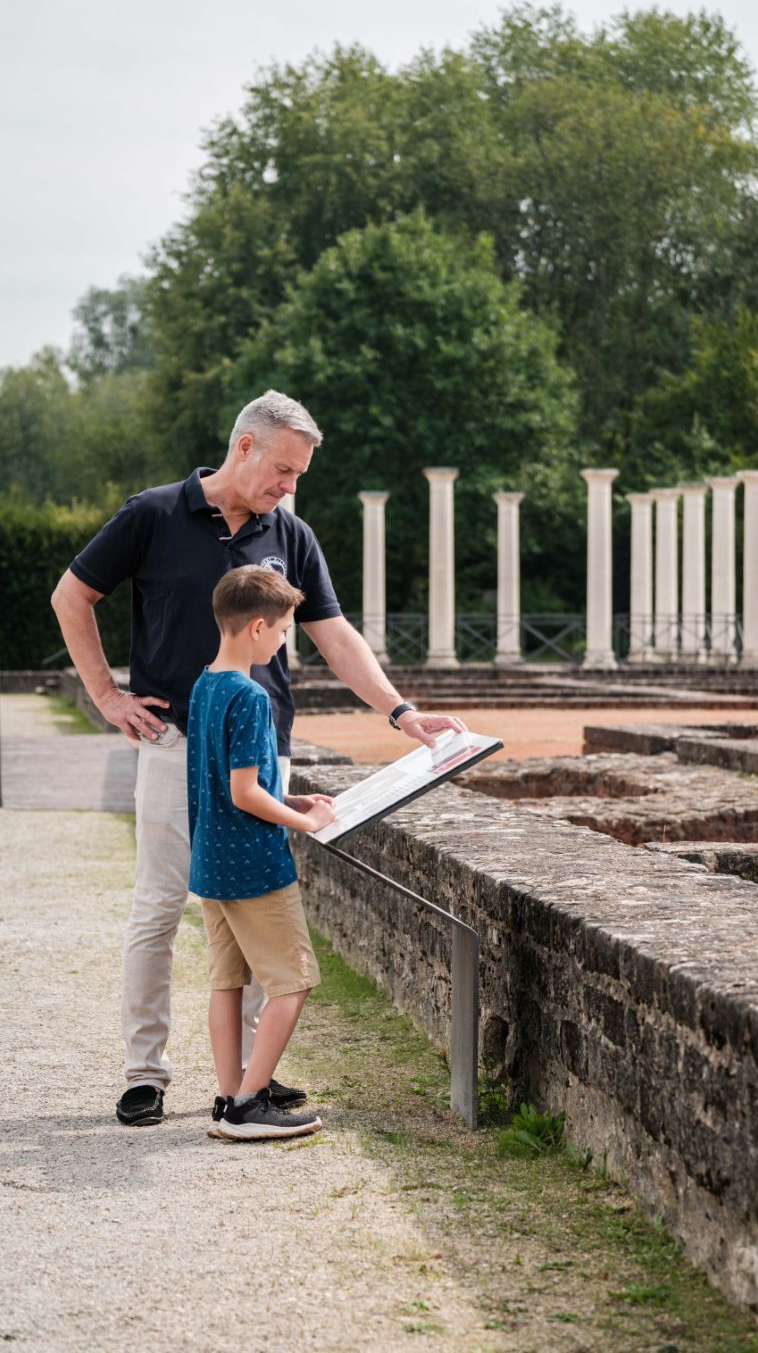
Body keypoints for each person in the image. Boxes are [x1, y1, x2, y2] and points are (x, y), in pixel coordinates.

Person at [51, 389, 467, 1126]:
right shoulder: (152, 513)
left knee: (241, 911)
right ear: (243, 447)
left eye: (298, 475)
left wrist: (400, 711)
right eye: (283, 470)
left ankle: (244, 1081)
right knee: (157, 909)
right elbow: (71, 596)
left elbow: (334, 634)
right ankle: (144, 1073)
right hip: (172, 744)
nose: (289, 487)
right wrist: (106, 698)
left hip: (258, 751)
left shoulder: (291, 532)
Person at [189, 565, 333, 1140]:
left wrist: (292, 797)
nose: (282, 642)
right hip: (253, 864)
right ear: (255, 627)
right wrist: (307, 819)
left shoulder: (205, 684)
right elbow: (243, 792)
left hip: (212, 860)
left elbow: (228, 779)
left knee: (226, 983)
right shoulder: (250, 696)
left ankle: (229, 1096)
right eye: (282, 631)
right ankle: (250, 1105)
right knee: (292, 982)